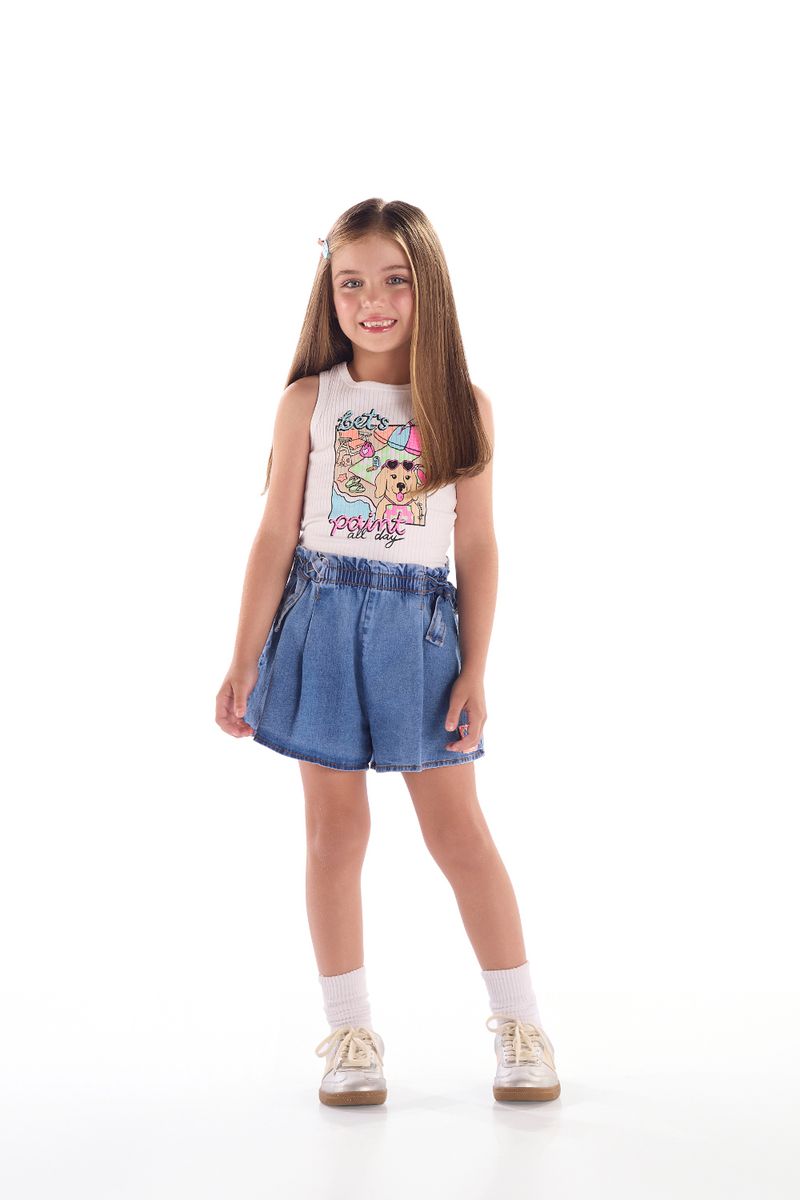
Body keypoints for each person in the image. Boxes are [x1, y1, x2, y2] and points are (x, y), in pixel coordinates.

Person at [216, 198, 561, 1107]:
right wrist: (244, 657)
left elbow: (475, 546)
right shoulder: (309, 402)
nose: (373, 301)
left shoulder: (463, 407)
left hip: (420, 634)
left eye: (395, 280)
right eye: (351, 283)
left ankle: (521, 1021)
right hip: (320, 624)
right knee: (334, 835)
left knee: (458, 834)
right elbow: (274, 537)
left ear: (428, 286)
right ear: (327, 293)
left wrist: (476, 666)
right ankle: (349, 1034)